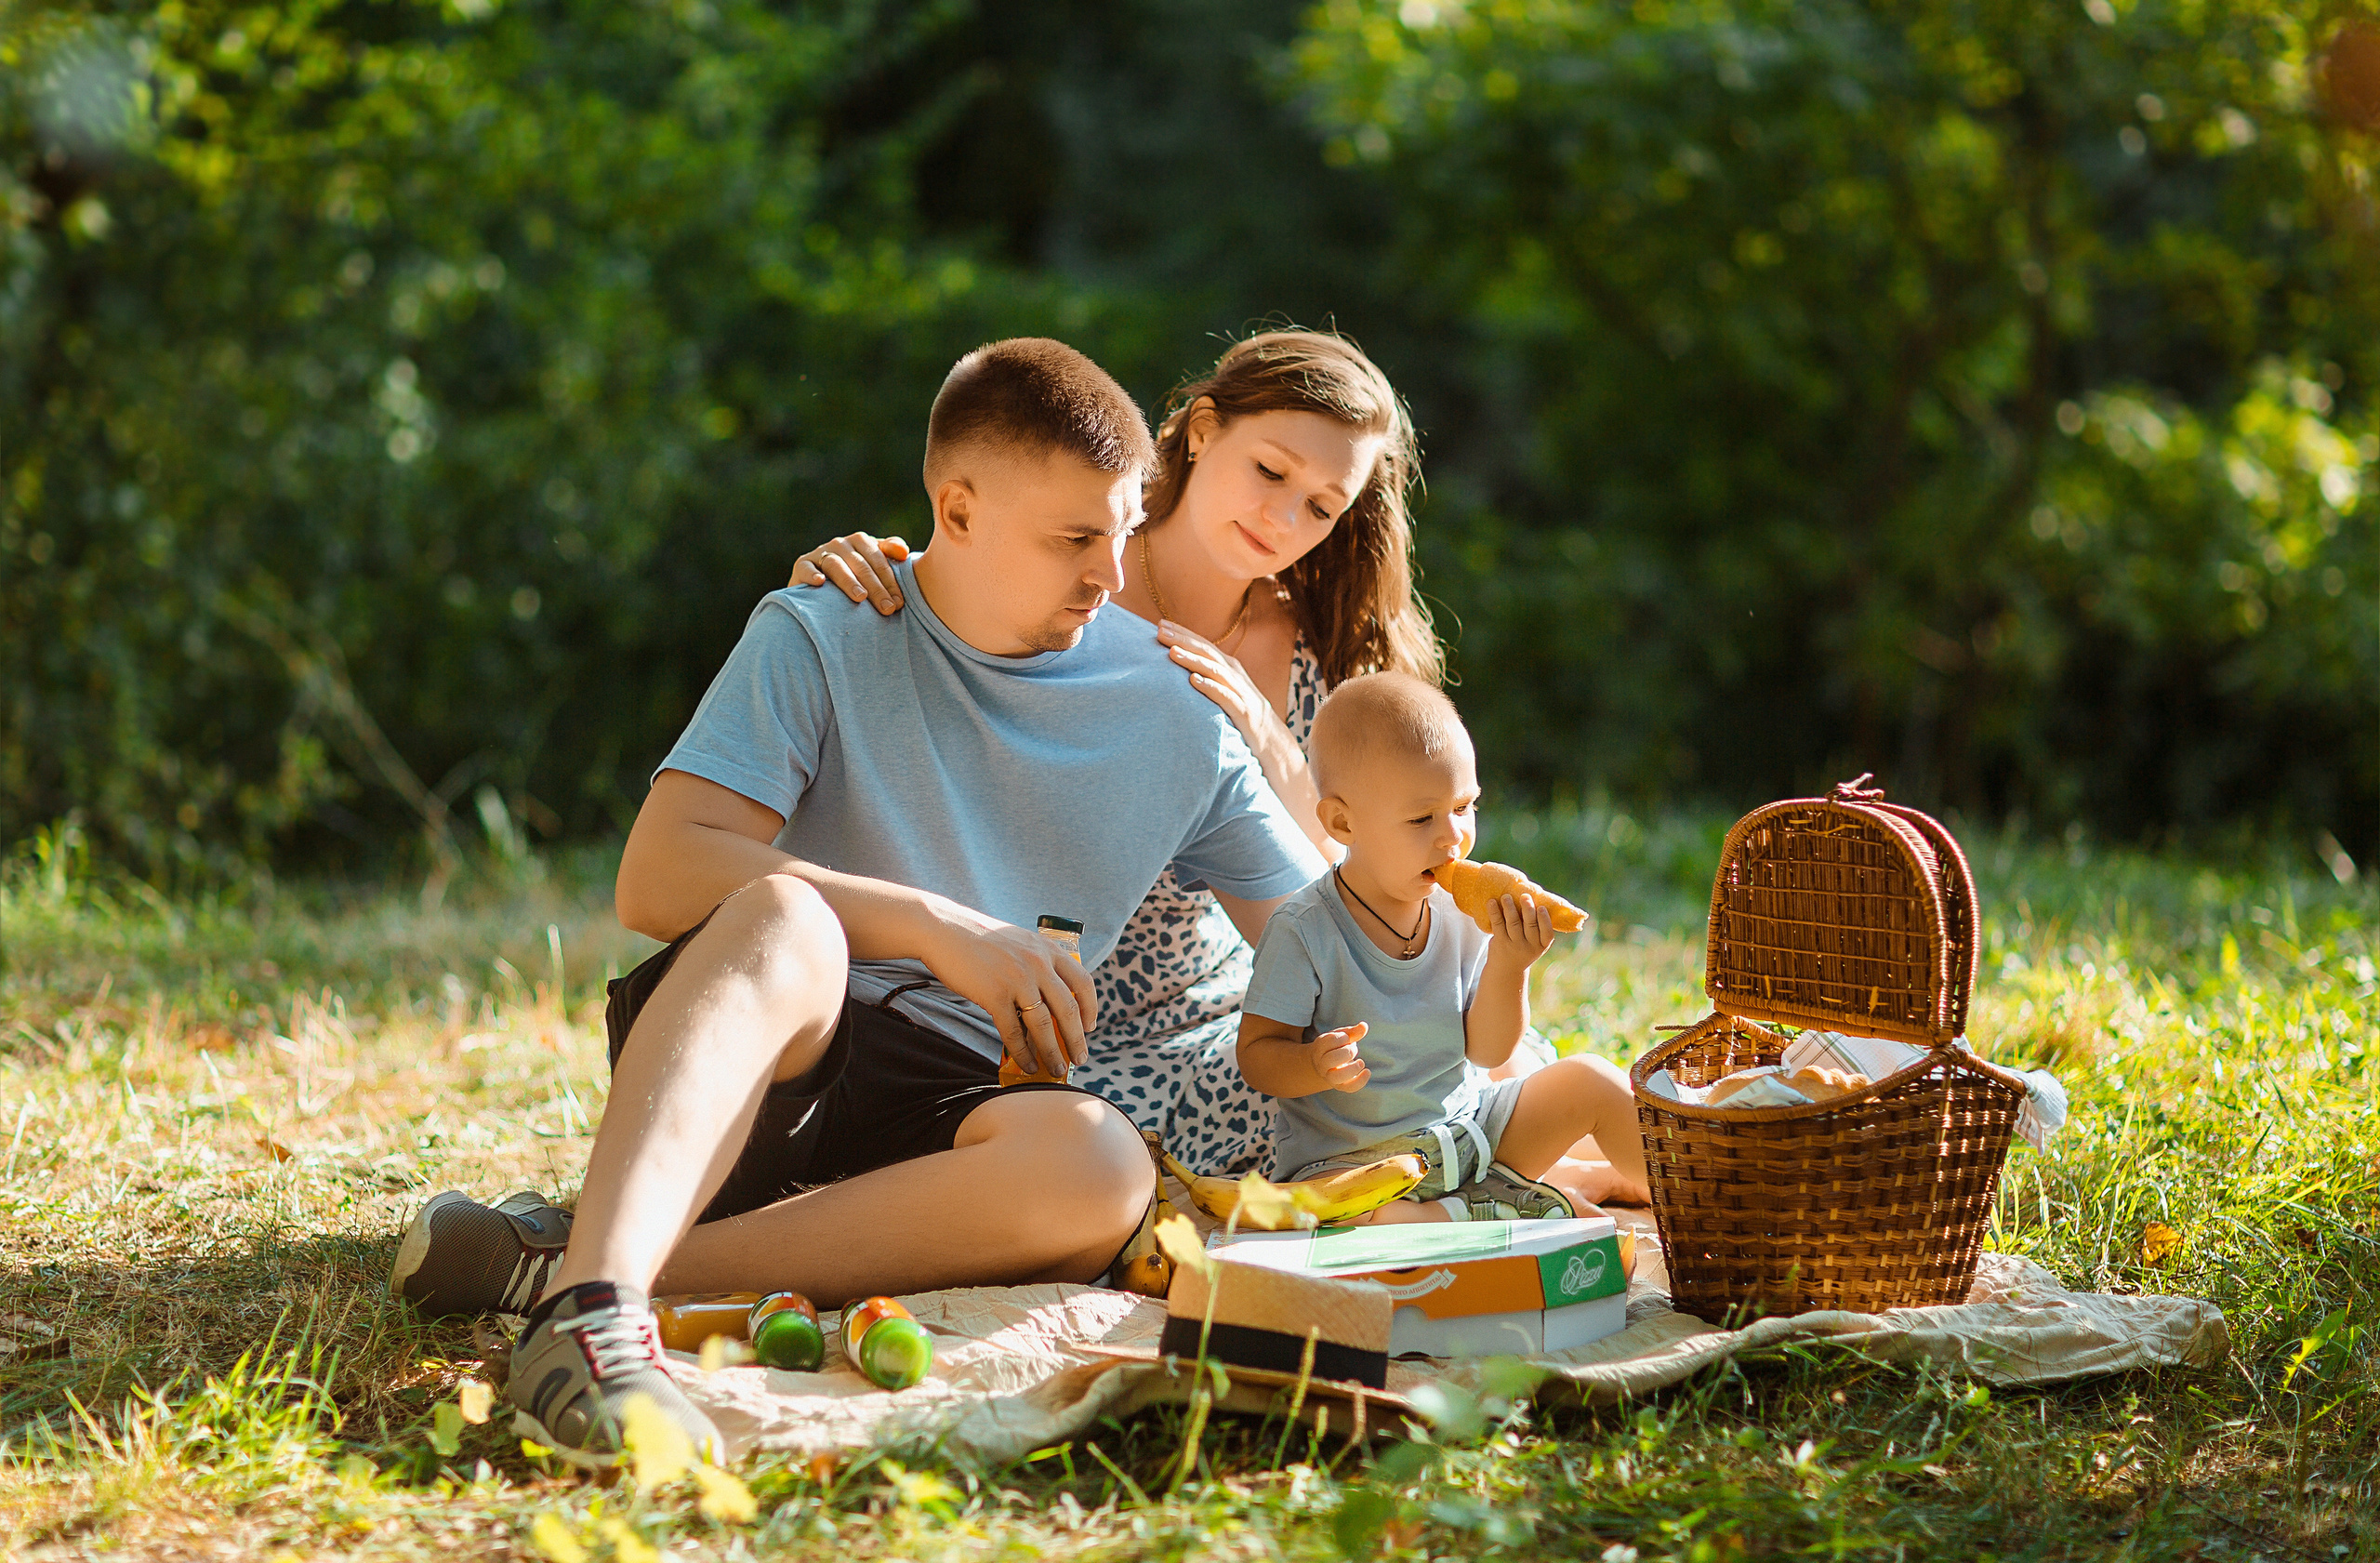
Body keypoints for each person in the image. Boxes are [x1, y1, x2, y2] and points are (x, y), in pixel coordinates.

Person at [387, 338, 1325, 1467]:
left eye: (1123, 533)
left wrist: (1447, 925)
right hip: (772, 1049)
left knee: (1104, 1162)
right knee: (790, 917)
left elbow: (1330, 953)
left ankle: (574, 1270)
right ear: (958, 509)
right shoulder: (823, 625)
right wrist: (937, 925)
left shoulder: (1177, 711)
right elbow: (660, 873)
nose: (1109, 574)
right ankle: (593, 1325)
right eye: (1075, 539)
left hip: (946, 1114)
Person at [788, 329, 1447, 1175]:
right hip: (1037, 1014)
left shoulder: (1324, 656)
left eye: (1322, 507)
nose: (1283, 519)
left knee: (1429, 1066)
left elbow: (1363, 895)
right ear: (1202, 432)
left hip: (1229, 1001)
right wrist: (839, 586)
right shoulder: (1059, 568)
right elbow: (940, 606)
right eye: (1270, 471)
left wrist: (1273, 744)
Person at [1236, 673, 1652, 1221]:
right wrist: (1312, 1064)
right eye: (1421, 818)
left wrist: (1510, 965)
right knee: (1375, 1223)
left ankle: (1700, 1196)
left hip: (1468, 1134)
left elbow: (1489, 1053)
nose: (1453, 836)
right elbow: (1257, 1054)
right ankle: (1496, 1207)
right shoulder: (1304, 929)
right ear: (1342, 822)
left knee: (1592, 1080)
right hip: (1356, 1168)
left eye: (1463, 807)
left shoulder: (1462, 912)